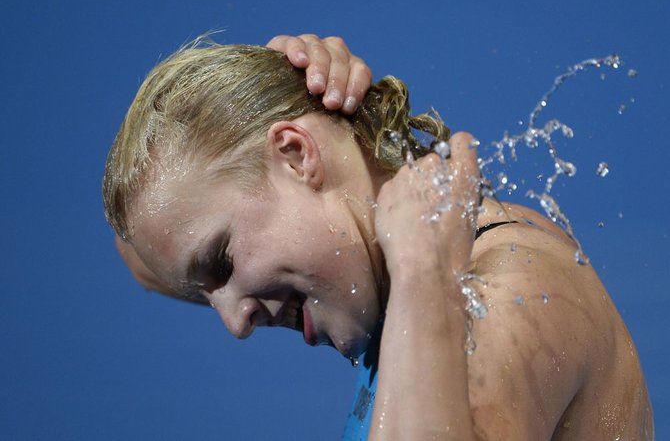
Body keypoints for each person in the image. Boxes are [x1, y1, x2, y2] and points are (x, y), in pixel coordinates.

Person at [104, 34, 654, 440]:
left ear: (297, 156)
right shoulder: (432, 282)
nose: (235, 324)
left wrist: (422, 281)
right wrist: (271, 87)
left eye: (220, 263)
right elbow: (144, 252)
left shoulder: (502, 296)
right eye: (203, 293)